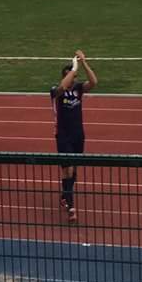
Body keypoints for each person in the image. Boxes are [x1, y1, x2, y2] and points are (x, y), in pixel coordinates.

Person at [50, 50, 98, 223]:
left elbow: (93, 82)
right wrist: (74, 68)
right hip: (63, 135)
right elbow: (63, 86)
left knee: (73, 169)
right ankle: (71, 206)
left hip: (78, 134)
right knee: (68, 168)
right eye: (72, 76)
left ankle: (65, 194)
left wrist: (84, 63)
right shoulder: (56, 91)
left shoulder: (78, 89)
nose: (74, 80)